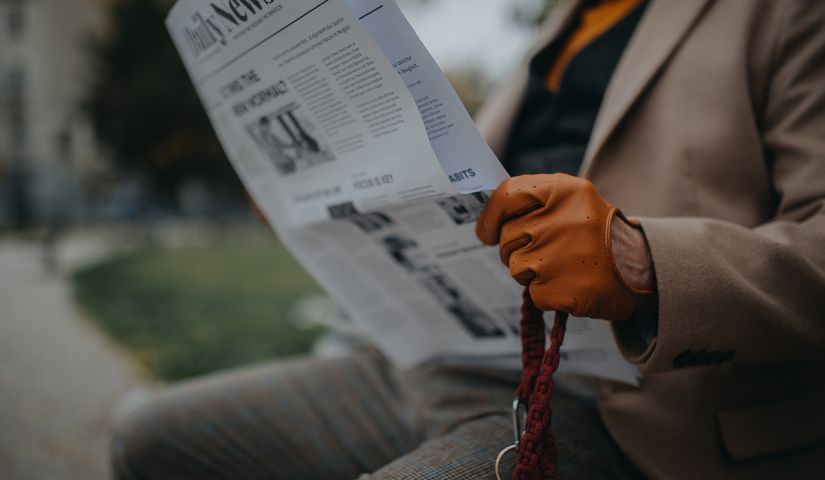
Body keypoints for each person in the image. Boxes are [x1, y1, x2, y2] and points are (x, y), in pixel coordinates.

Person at [111, 0, 825, 478]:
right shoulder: (557, 27)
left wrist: (643, 263)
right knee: (150, 437)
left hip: (636, 408)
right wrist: (307, 195)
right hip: (451, 355)